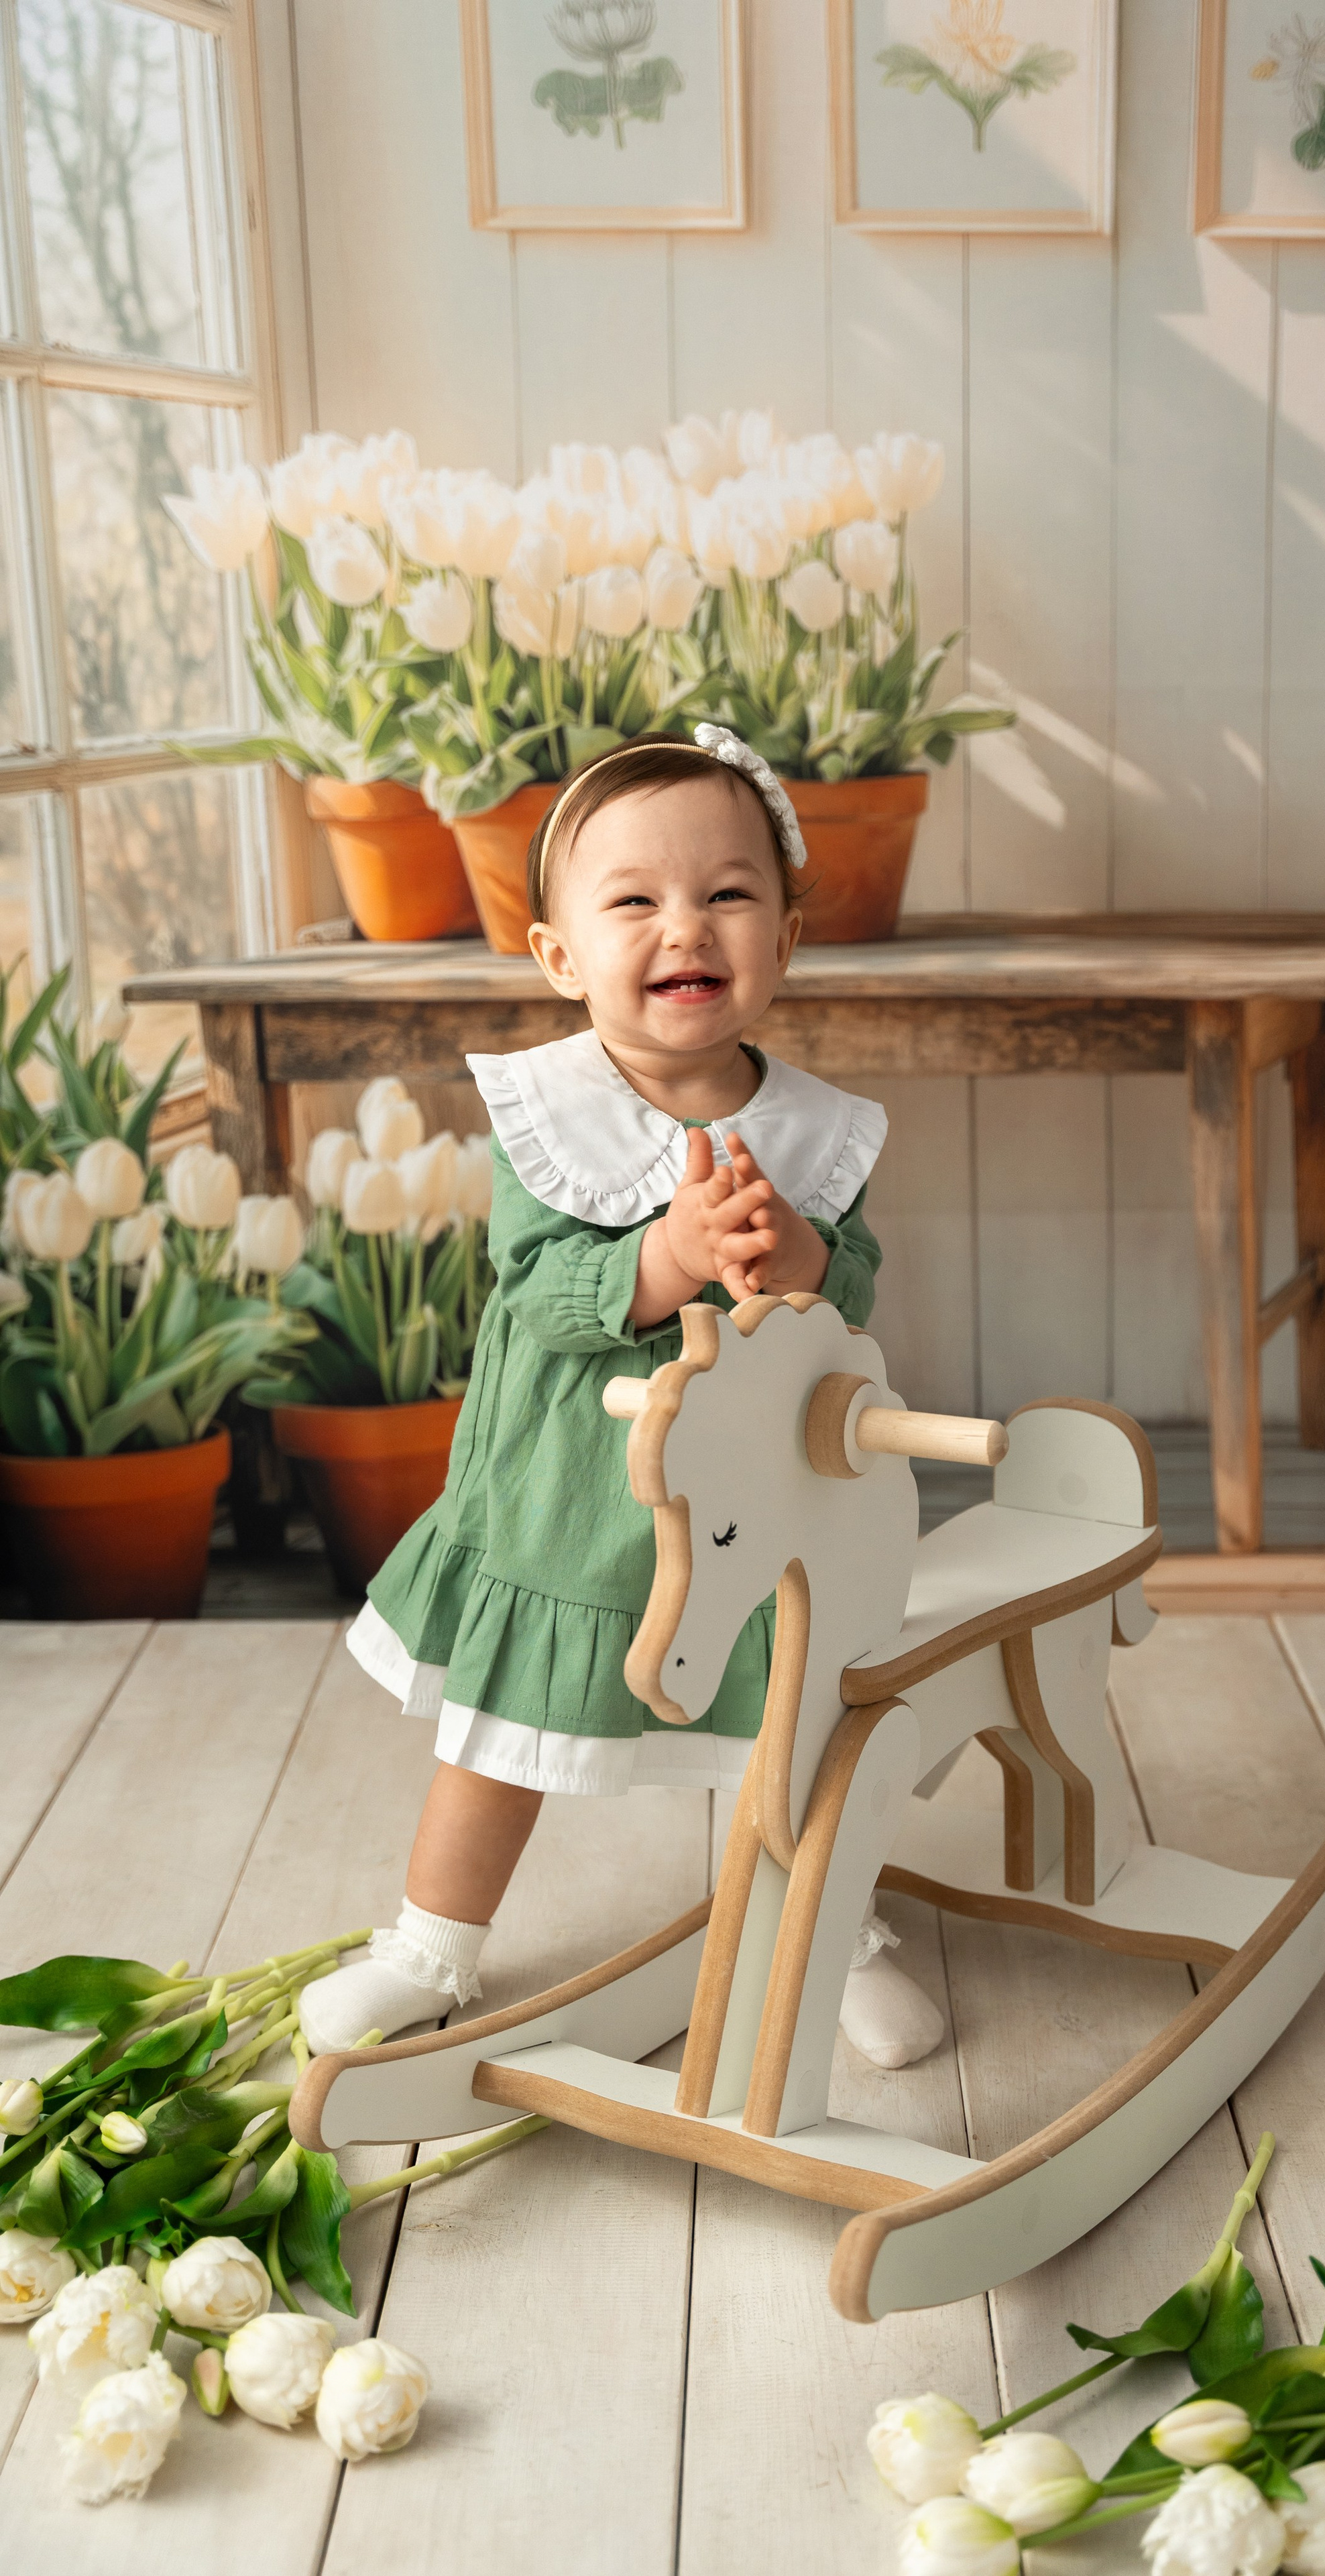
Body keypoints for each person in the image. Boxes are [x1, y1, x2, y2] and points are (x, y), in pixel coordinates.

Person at [302, 726, 943, 2072]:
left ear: (783, 932)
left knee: (794, 1722)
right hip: (572, 1505)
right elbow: (538, 1295)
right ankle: (431, 1943)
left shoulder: (815, 1131)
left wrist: (801, 1254)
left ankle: (832, 1927)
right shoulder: (554, 1116)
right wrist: (667, 1258)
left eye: (725, 892)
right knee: (507, 1737)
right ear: (559, 954)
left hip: (764, 1506)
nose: (682, 926)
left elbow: (859, 1286)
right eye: (633, 899)